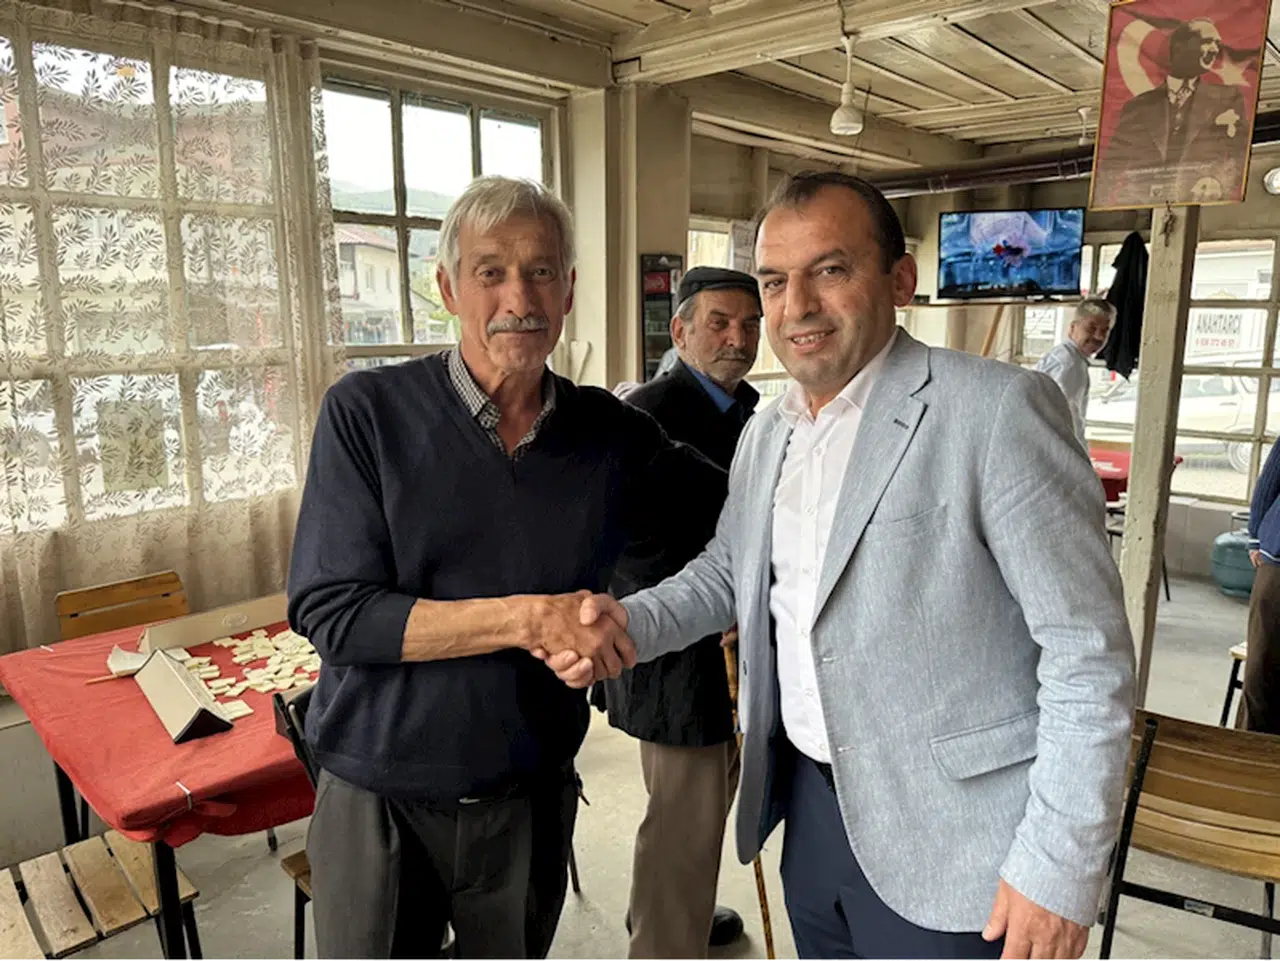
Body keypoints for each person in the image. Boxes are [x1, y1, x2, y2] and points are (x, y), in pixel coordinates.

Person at [545, 171, 1136, 960]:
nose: (797, 306)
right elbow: (729, 569)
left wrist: (1059, 866)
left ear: (900, 279)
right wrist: (630, 622)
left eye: (830, 269)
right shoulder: (771, 429)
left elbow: (1087, 656)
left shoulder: (996, 411)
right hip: (812, 809)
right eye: (774, 281)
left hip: (959, 841)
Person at [287, 175, 723, 961]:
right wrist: (530, 618)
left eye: (541, 271)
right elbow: (334, 612)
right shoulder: (367, 412)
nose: (518, 297)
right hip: (380, 794)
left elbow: (734, 512)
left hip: (529, 795)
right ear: (449, 287)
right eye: (491, 271)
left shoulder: (610, 433)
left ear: (568, 290)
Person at [595, 266, 762, 960]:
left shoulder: (751, 411)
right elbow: (624, 548)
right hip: (677, 659)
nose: (738, 338)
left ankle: (678, 913)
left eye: (750, 324)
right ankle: (664, 943)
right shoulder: (645, 416)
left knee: (707, 811)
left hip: (735, 657)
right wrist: (718, 596)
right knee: (680, 824)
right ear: (681, 331)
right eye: (719, 323)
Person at [1096, 18, 1247, 207]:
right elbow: (1114, 161)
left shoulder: (1228, 98)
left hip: (1200, 198)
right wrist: (1104, 201)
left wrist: (1218, 182)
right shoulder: (1138, 106)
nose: (1215, 49)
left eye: (1217, 43)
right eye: (1207, 41)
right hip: (1145, 202)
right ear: (1179, 47)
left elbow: (1239, 151)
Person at [1034, 299, 1116, 448]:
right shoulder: (1069, 365)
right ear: (1073, 327)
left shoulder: (1066, 357)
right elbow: (1066, 423)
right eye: (1091, 328)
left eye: (1105, 330)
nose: (1099, 336)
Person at [1246, 442, 1280, 734]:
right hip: (1277, 563)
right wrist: (1256, 537)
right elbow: (1270, 481)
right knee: (1261, 670)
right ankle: (1246, 750)